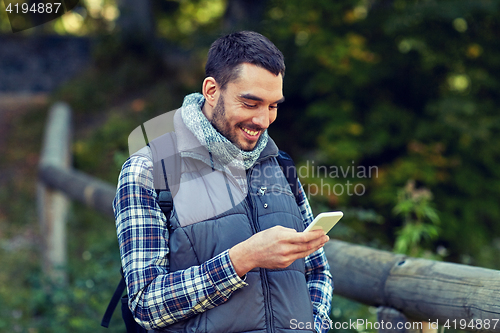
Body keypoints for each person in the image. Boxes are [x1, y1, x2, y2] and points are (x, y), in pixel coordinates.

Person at [113, 31, 333, 333]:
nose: (263, 120)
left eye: (273, 106)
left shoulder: (279, 164)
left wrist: (314, 326)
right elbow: (147, 305)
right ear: (212, 90)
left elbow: (318, 271)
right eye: (250, 103)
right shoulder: (150, 170)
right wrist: (241, 260)